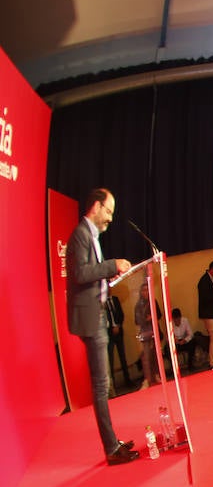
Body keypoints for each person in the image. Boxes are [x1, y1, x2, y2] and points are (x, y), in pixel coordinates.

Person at [66, 188, 138, 465]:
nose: (110, 217)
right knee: (101, 385)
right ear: (96, 206)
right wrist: (112, 265)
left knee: (103, 384)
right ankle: (111, 449)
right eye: (108, 210)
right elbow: (80, 273)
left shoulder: (91, 236)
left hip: (97, 313)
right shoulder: (80, 235)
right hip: (90, 317)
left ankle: (113, 442)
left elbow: (88, 276)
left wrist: (110, 277)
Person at [104, 291, 131, 392]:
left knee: (123, 357)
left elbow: (121, 314)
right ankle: (112, 385)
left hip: (119, 332)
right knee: (110, 359)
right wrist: (111, 327)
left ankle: (127, 380)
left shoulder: (115, 299)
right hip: (109, 334)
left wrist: (118, 325)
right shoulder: (102, 302)